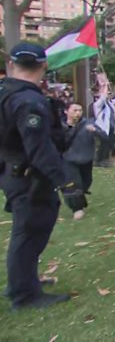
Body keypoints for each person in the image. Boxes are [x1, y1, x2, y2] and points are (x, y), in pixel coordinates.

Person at [0, 43, 86, 310]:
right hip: (29, 177)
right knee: (30, 231)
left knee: (26, 231)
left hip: (12, 171)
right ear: (44, 66)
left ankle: (23, 281)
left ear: (12, 64)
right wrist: (67, 184)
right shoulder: (28, 101)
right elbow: (40, 150)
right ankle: (24, 295)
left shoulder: (5, 92)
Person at [63, 102, 108, 220]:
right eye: (75, 110)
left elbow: (104, 137)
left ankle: (78, 198)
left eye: (80, 110)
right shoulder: (60, 126)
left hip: (86, 159)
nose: (78, 113)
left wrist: (95, 131)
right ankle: (77, 209)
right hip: (68, 160)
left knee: (85, 183)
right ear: (66, 111)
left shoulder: (88, 123)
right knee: (74, 185)